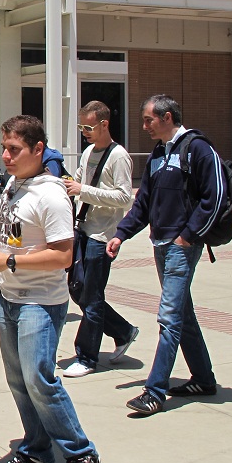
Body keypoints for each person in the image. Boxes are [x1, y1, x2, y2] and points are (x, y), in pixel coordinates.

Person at [0, 115, 99, 463]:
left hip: (40, 302)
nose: (6, 157)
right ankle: (39, 452)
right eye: (4, 148)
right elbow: (7, 239)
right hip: (9, 298)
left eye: (14, 150)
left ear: (38, 150)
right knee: (19, 380)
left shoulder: (52, 195)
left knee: (41, 378)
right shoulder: (14, 185)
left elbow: (63, 256)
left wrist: (7, 264)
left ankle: (80, 454)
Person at [108, 95, 224, 416]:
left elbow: (215, 196)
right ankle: (203, 379)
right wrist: (121, 234)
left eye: (148, 120)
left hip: (182, 247)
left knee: (170, 316)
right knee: (182, 314)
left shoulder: (197, 148)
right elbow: (143, 202)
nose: (144, 126)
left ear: (167, 117)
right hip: (160, 244)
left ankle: (154, 391)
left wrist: (189, 235)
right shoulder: (158, 153)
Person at [63, 102, 137, 378]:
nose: (85, 132)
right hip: (83, 229)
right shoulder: (87, 152)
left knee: (91, 296)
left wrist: (84, 190)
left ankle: (87, 356)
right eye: (81, 127)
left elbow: (124, 197)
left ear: (104, 124)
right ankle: (123, 330)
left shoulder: (119, 156)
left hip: (102, 234)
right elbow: (79, 183)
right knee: (78, 290)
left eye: (89, 127)